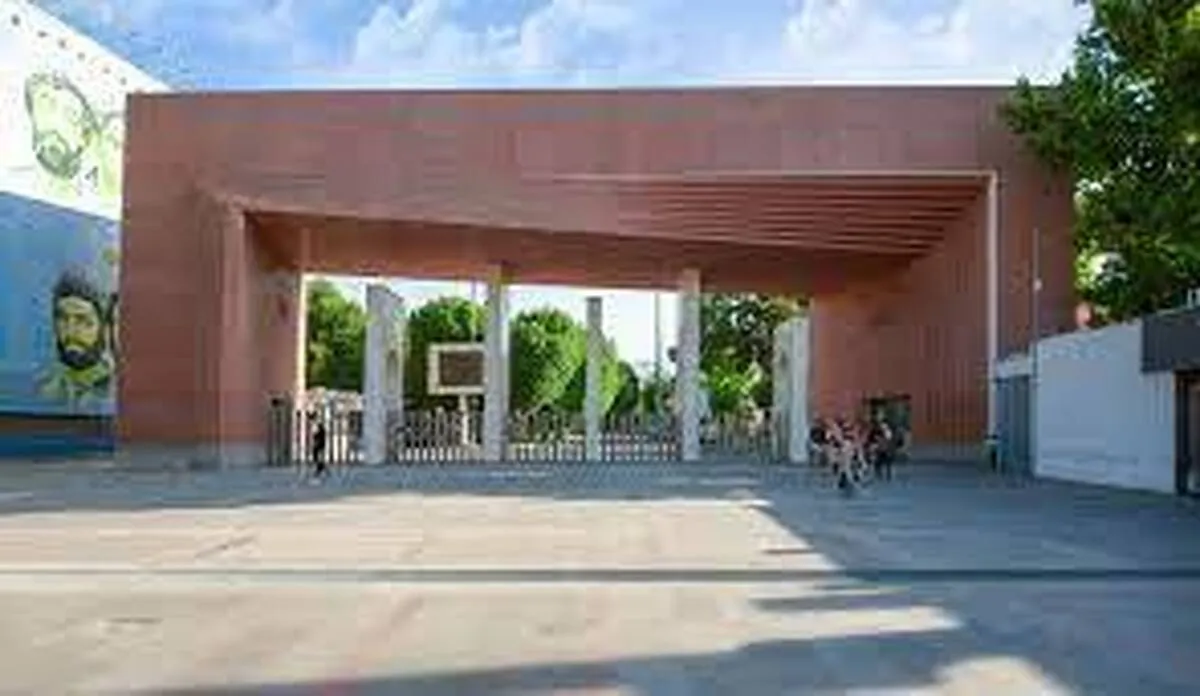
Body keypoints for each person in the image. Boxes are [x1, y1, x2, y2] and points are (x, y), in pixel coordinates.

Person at [38, 269, 115, 410]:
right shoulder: (45, 386)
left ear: (103, 326)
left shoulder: (113, 390)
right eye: (62, 318)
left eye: (82, 319)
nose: (70, 331)